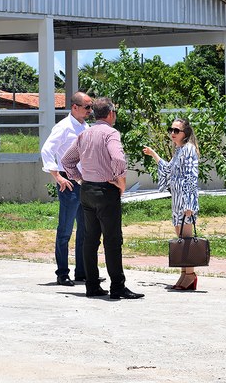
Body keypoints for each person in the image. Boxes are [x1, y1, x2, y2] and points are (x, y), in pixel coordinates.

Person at [61, 97, 144, 300]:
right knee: (112, 240)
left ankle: (92, 285)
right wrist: (120, 180)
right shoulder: (111, 133)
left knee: (90, 240)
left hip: (87, 191)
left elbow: (66, 160)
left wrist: (80, 179)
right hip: (106, 191)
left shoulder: (85, 134)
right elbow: (118, 158)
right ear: (110, 113)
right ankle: (117, 286)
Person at [40, 91, 93, 286]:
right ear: (75, 107)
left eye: (91, 107)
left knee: (85, 230)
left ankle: (82, 271)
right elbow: (47, 150)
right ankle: (62, 273)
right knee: (65, 230)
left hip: (84, 182)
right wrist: (57, 176)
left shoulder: (86, 127)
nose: (90, 110)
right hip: (69, 183)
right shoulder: (63, 127)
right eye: (87, 107)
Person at [143, 118, 200, 290]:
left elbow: (191, 176)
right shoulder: (178, 150)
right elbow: (168, 170)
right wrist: (154, 154)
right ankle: (185, 273)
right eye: (171, 130)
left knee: (187, 239)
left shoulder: (188, 149)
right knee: (181, 239)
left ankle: (190, 274)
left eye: (177, 130)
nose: (172, 133)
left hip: (185, 198)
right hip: (177, 198)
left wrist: (189, 204)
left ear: (185, 133)